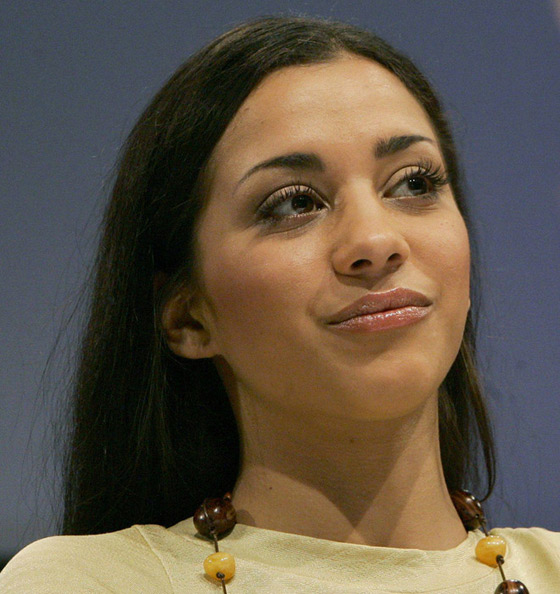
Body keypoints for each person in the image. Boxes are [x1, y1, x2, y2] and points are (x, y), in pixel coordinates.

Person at [1, 15, 558, 593]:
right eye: (294, 203)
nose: (376, 241)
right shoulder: (91, 582)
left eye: (413, 183)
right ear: (189, 317)